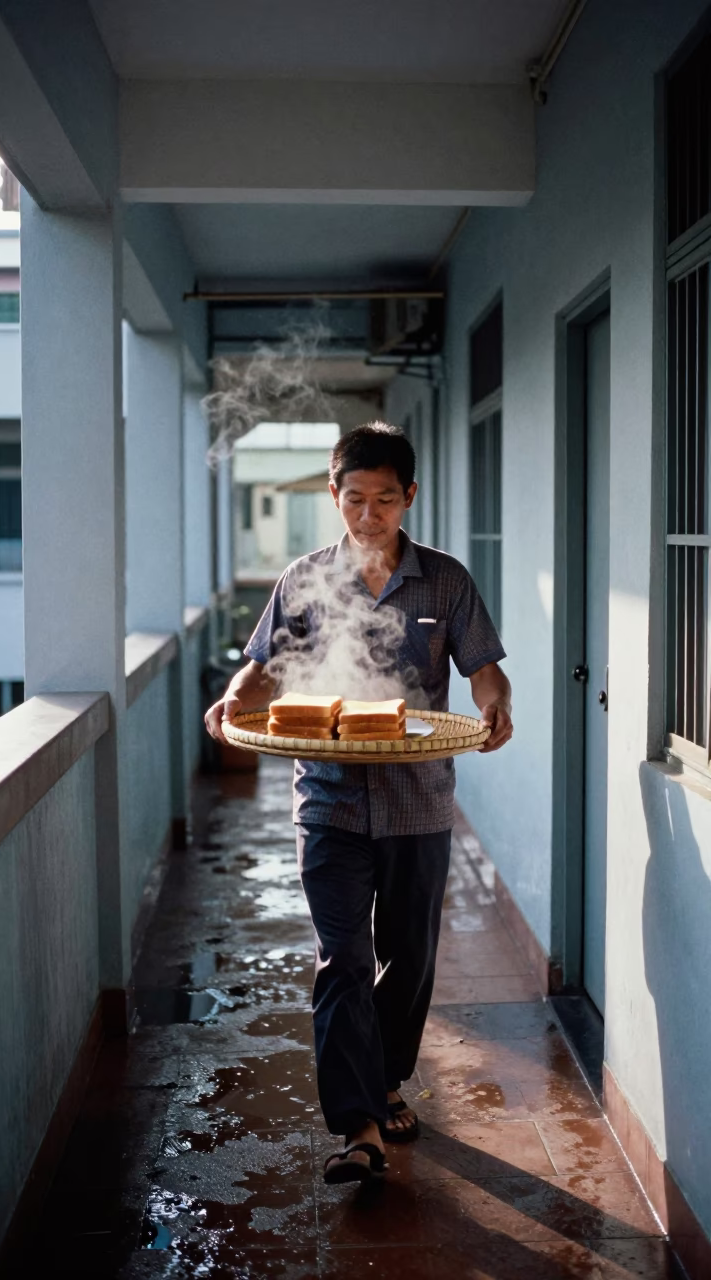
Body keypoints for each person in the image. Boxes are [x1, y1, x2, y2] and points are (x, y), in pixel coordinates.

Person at [205, 422, 512, 1185]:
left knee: (407, 960)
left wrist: (496, 704)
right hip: (329, 801)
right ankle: (359, 1126)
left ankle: (386, 1079)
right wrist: (233, 699)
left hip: (419, 802)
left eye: (384, 500)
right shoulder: (304, 579)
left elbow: (483, 669)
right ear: (333, 494)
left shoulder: (445, 581)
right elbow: (263, 668)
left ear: (410, 497)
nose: (368, 515)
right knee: (342, 959)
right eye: (354, 499)